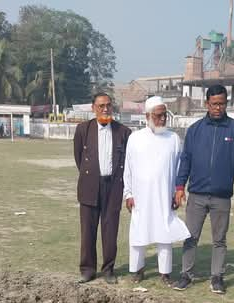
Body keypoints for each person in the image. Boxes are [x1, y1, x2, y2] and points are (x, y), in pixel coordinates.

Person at [172, 84, 234, 294]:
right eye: (214, 104)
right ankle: (186, 274)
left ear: (226, 103)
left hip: (221, 196)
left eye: (221, 104)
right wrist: (180, 186)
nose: (218, 108)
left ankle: (217, 277)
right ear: (206, 104)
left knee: (219, 240)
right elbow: (186, 160)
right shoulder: (195, 130)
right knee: (190, 237)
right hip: (197, 195)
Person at [123, 96, 190, 286]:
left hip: (164, 195)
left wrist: (178, 192)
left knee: (165, 233)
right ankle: (137, 270)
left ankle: (165, 273)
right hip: (140, 196)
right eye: (158, 116)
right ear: (147, 116)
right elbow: (128, 168)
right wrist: (128, 194)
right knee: (138, 233)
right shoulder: (135, 138)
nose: (162, 120)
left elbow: (179, 170)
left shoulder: (173, 139)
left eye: (164, 116)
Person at [73, 93, 131, 283]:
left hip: (113, 187)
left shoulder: (123, 132)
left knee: (110, 230)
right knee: (88, 230)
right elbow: (79, 159)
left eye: (108, 105)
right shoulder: (83, 129)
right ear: (93, 108)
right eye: (101, 106)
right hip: (90, 185)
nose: (105, 109)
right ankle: (88, 269)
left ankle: (108, 270)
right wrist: (91, 175)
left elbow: (126, 162)